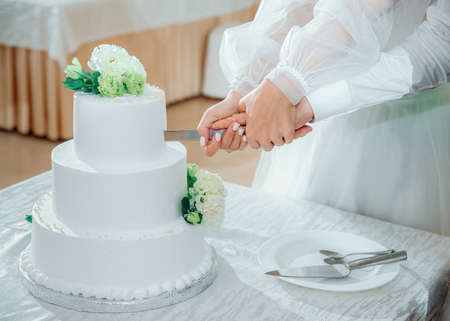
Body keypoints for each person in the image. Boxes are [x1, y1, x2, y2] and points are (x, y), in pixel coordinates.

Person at [197, 0, 450, 235]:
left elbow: (440, 40)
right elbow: (300, 8)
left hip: (407, 125)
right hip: (320, 124)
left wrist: (290, 87)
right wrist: (245, 91)